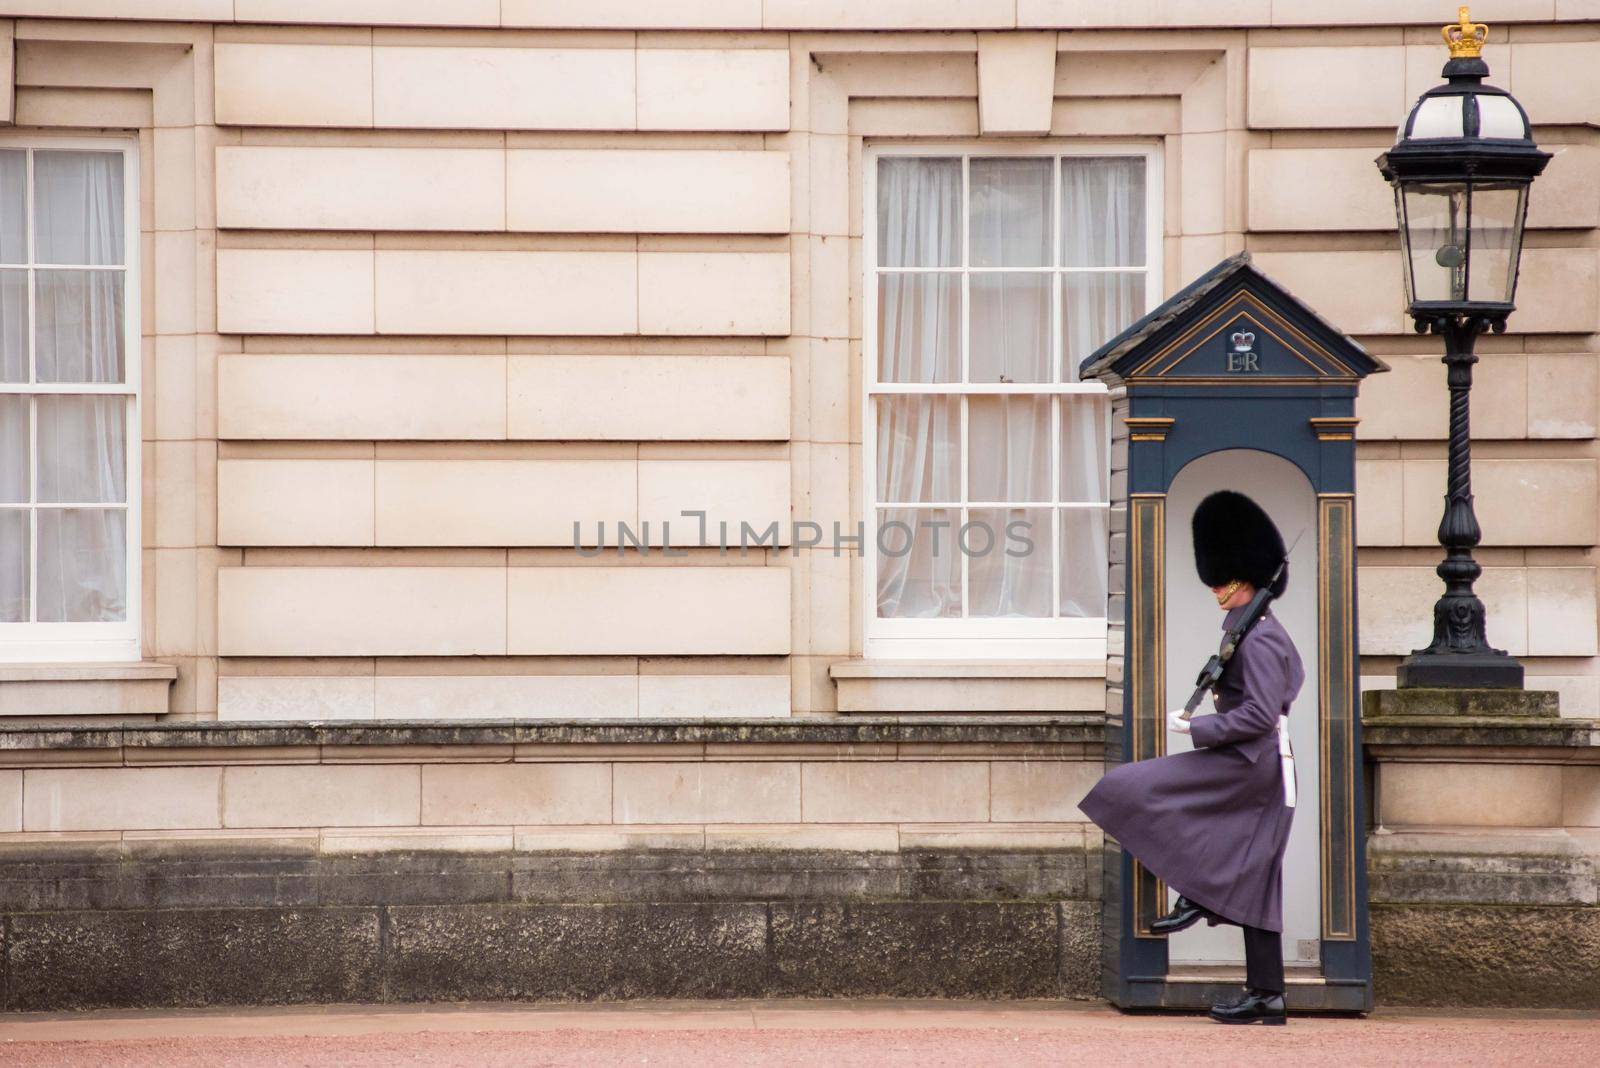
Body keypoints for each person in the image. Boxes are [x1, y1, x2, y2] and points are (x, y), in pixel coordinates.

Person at [1078, 489, 1304, 1025]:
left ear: (1244, 578)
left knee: (1130, 788)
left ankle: (1201, 894)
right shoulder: (1248, 631)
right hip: (1251, 763)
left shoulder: (1263, 640)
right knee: (1256, 875)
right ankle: (1266, 994)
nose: (1214, 590)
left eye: (1221, 581)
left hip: (1251, 765)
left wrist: (1197, 727)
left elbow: (1258, 716)